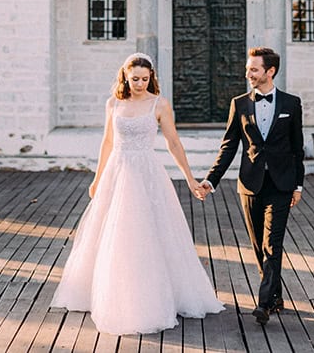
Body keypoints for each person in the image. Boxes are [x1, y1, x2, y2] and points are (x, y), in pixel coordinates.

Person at [49, 53, 224, 336]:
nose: (140, 84)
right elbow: (107, 142)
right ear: (125, 77)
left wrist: (191, 178)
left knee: (148, 231)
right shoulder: (113, 103)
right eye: (135, 79)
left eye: (145, 79)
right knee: (111, 232)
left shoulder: (159, 104)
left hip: (146, 172)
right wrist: (97, 177)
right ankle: (109, 293)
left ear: (151, 78)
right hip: (117, 172)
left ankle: (154, 295)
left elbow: (173, 142)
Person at [200, 47, 304, 326]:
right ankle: (276, 297)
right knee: (259, 245)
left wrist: (298, 185)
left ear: (270, 71)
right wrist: (211, 180)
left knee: (273, 244)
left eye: (254, 69)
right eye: (248, 69)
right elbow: (229, 145)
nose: (248, 74)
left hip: (281, 185)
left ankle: (264, 303)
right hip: (250, 185)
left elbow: (297, 148)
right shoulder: (240, 103)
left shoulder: (292, 104)